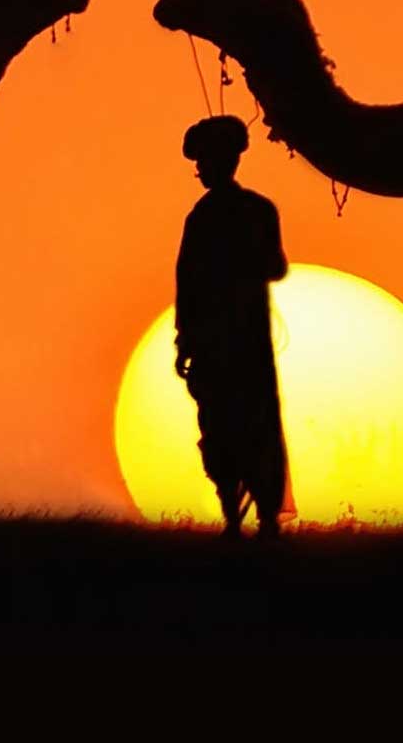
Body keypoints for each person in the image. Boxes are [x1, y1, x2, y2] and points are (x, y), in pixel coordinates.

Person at [173, 115, 292, 539]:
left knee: (221, 426)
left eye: (204, 160)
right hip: (247, 341)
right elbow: (276, 268)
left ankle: (234, 521)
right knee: (255, 424)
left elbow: (188, 283)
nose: (199, 168)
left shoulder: (202, 218)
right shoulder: (260, 210)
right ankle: (264, 520)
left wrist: (184, 340)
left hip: (216, 343)